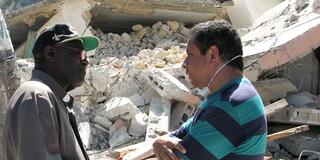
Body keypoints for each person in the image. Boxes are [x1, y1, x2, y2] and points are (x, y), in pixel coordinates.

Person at [153, 20, 267, 160]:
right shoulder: (225, 94)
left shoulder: (231, 104)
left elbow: (176, 157)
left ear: (212, 55)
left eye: (190, 55)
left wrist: (159, 145)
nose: (184, 64)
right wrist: (158, 142)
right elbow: (183, 132)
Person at [4, 23, 99, 160]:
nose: (86, 61)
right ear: (50, 54)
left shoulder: (49, 97)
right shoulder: (36, 96)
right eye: (79, 53)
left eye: (86, 55)